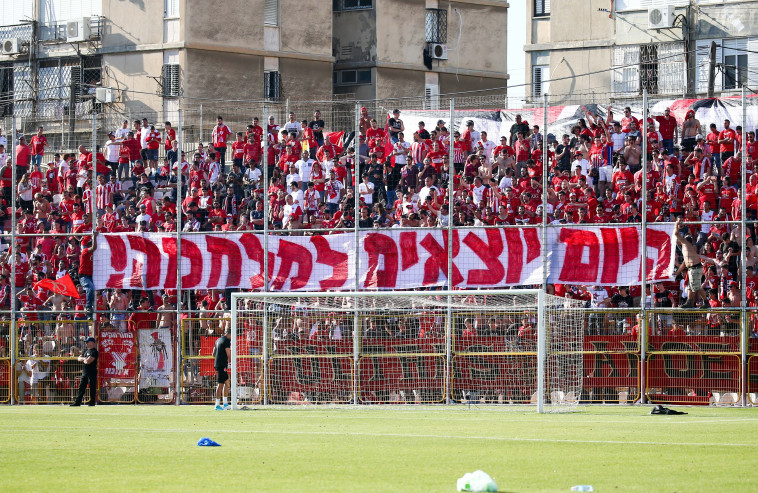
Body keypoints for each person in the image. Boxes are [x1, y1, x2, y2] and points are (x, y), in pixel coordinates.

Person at [674, 217, 707, 307]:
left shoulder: (685, 243)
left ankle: (706, 302)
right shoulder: (688, 250)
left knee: (697, 287)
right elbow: (683, 264)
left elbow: (676, 233)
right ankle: (689, 302)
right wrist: (677, 273)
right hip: (694, 268)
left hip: (695, 268)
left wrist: (676, 224)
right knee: (689, 286)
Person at [71, 336, 98, 406]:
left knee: (92, 388)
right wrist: (84, 358)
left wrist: (84, 359)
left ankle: (92, 402)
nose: (86, 343)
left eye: (87, 342)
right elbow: (79, 358)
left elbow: (88, 361)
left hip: (92, 372)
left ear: (92, 343)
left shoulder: (94, 352)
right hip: (85, 372)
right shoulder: (86, 351)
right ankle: (77, 402)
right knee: (81, 388)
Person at [212, 327, 232, 410]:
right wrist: (230, 362)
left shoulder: (218, 340)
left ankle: (225, 403)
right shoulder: (226, 341)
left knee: (227, 382)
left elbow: (213, 353)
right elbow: (228, 352)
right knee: (220, 384)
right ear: (229, 334)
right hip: (222, 365)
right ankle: (217, 404)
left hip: (218, 363)